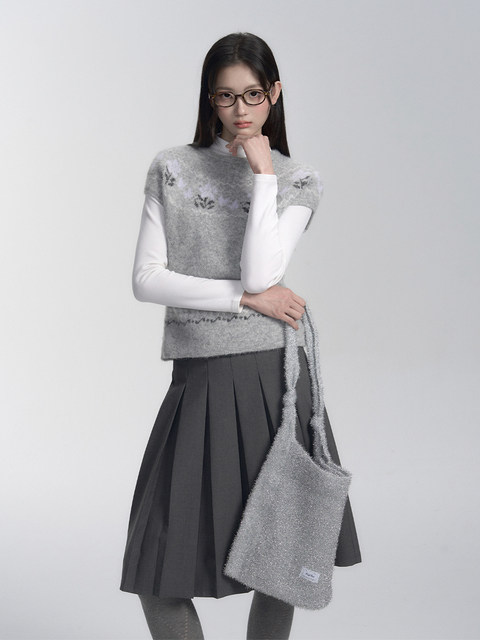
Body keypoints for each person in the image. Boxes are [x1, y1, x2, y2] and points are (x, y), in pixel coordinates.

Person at [119, 32, 362, 640]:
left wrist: (263, 175)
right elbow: (147, 281)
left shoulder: (297, 179)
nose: (241, 109)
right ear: (210, 98)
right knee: (158, 572)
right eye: (226, 96)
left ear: (274, 93)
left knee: (280, 561)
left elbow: (262, 273)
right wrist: (244, 301)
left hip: (274, 382)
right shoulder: (172, 168)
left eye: (253, 94)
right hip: (200, 379)